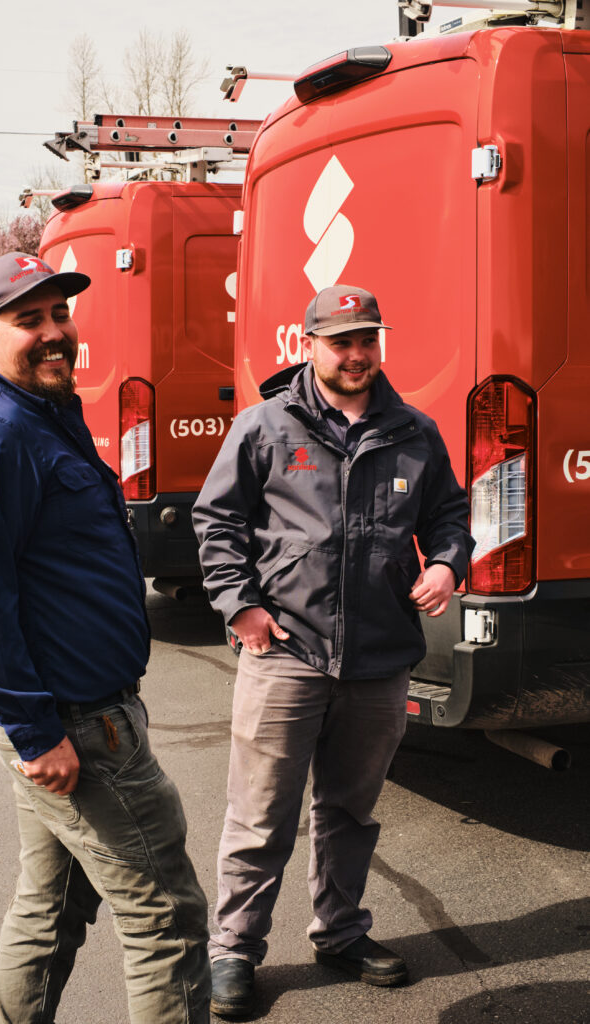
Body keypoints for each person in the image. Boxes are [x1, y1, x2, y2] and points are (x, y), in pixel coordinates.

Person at [0, 252, 211, 1024]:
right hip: (75, 730)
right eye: (29, 320)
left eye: (60, 314)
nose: (54, 333)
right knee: (168, 919)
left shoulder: (47, 412)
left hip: (85, 718)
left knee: (51, 908)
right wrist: (34, 732)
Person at [192, 284, 474, 1019]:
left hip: (379, 660)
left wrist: (446, 563)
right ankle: (233, 952)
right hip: (285, 653)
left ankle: (340, 933)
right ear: (307, 345)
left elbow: (448, 514)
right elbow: (216, 522)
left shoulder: (413, 430)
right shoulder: (265, 427)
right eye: (340, 340)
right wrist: (242, 606)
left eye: (366, 339)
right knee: (259, 817)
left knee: (350, 812)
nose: (355, 354)